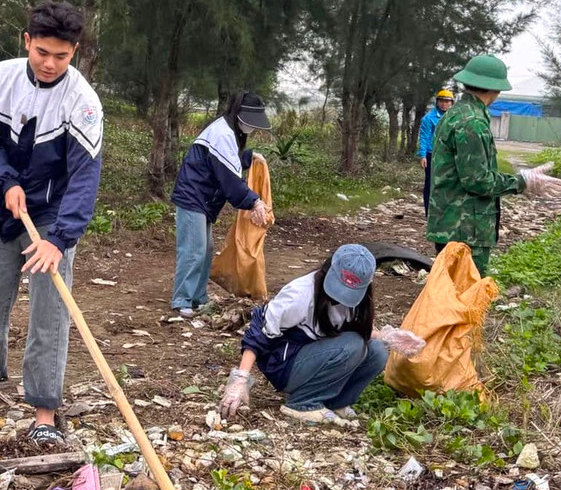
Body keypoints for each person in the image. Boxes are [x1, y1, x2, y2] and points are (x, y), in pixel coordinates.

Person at [0, 0, 103, 449]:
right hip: (6, 206)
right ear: (27, 41)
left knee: (49, 311)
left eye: (61, 56)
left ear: (75, 52)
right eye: (42, 52)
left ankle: (45, 410)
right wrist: (4, 181)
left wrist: (59, 240)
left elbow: (85, 178)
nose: (50, 64)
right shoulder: (0, 77)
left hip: (52, 215)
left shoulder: (83, 103)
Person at [218, 244, 419, 424]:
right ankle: (302, 403)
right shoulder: (299, 294)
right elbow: (259, 332)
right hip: (285, 363)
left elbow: (356, 331)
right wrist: (241, 378)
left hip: (315, 354)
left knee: (377, 351)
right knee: (353, 344)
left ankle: (337, 402)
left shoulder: (360, 303)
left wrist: (389, 337)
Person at [426, 54, 561, 276]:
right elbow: (478, 181)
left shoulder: (455, 114)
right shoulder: (472, 123)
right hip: (465, 230)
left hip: (451, 224)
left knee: (448, 297)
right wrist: (522, 182)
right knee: (464, 299)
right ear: (495, 89)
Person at [169, 92, 273, 316]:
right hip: (192, 196)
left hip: (202, 199)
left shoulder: (227, 130)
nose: (253, 128)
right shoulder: (223, 133)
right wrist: (254, 202)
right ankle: (182, 300)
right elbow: (229, 179)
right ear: (241, 116)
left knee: (206, 250)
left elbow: (224, 162)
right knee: (193, 250)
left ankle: (198, 298)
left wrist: (249, 156)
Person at [418, 88, 455, 216]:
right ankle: (429, 212)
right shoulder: (428, 119)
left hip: (449, 155)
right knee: (430, 183)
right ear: (437, 102)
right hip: (432, 154)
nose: (445, 104)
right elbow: (424, 137)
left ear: (451, 103)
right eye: (442, 101)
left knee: (448, 183)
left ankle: (444, 210)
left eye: (447, 101)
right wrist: (423, 155)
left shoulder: (454, 117)